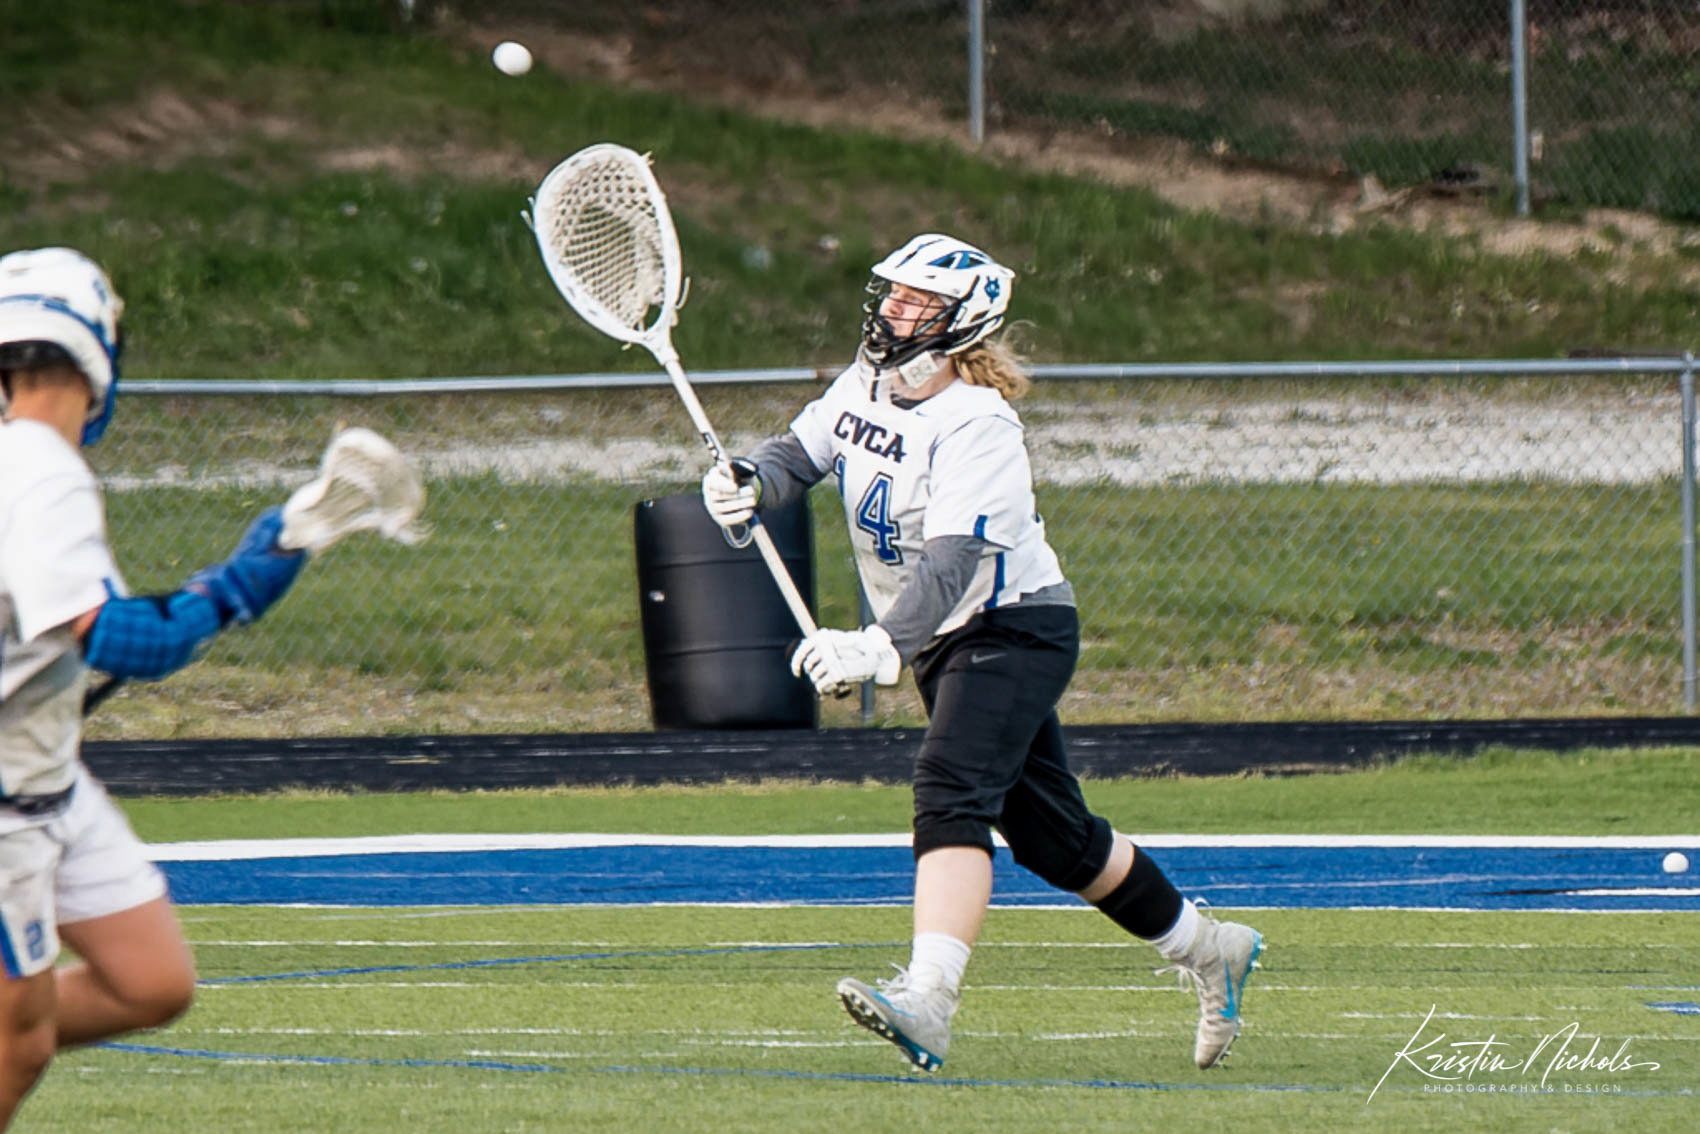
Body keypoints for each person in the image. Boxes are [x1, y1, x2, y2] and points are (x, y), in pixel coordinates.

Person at [701, 233, 1263, 1074]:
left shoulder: (979, 423)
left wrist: (879, 647)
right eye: (892, 294)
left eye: (916, 301)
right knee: (1055, 840)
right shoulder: (866, 382)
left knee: (949, 788)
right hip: (944, 638)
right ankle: (1209, 948)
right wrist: (749, 479)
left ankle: (929, 1001)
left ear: (962, 320)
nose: (893, 310)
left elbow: (952, 560)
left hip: (1012, 628)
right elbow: (801, 453)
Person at [0, 246, 307, 1126]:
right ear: (97, 354)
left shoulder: (25, 461)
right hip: (7, 805)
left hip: (47, 778)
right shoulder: (40, 469)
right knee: (18, 1045)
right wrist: (237, 587)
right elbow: (129, 641)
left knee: (149, 981)